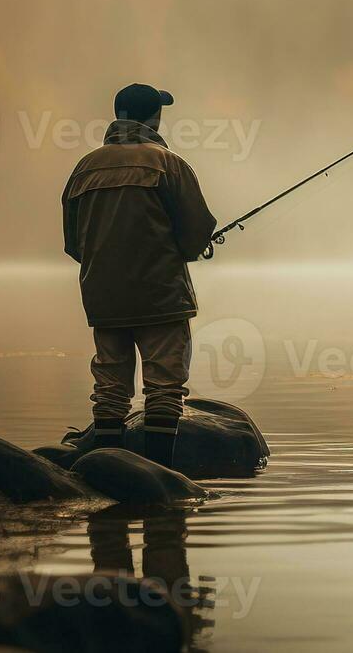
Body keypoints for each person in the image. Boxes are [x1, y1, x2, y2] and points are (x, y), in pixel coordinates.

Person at [62, 83, 216, 468]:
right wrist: (187, 251)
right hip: (161, 296)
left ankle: (105, 471)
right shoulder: (168, 163)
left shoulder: (84, 167)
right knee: (164, 387)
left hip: (103, 297)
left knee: (110, 389)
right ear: (155, 117)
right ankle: (160, 474)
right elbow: (198, 231)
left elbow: (72, 242)